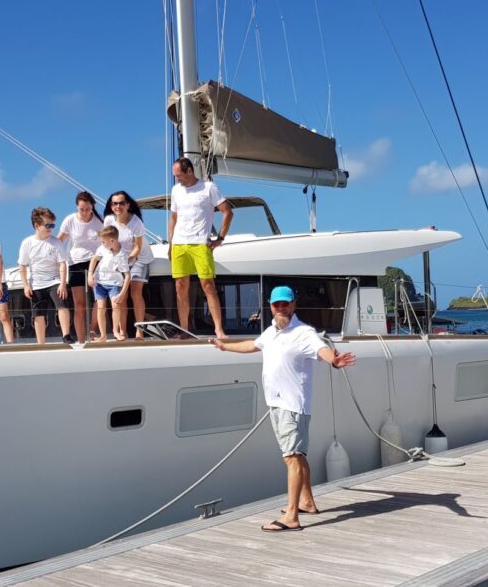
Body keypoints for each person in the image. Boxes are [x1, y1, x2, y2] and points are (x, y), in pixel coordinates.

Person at [212, 285, 355, 532]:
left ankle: (291, 516)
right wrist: (225, 346)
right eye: (277, 304)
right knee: (296, 455)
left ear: (294, 305)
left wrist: (334, 360)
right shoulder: (271, 332)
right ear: (270, 306)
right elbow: (252, 345)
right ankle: (307, 502)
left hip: (292, 405)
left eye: (286, 304)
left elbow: (322, 350)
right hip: (276, 403)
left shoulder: (303, 332)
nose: (281, 308)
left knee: (292, 457)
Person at [168, 157, 232, 339]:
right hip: (179, 243)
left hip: (200, 243)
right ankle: (184, 329)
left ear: (189, 171)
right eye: (175, 176)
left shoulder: (208, 188)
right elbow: (173, 217)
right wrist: (170, 242)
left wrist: (220, 238)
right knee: (180, 287)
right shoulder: (176, 190)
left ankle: (218, 329)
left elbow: (227, 211)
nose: (177, 179)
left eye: (179, 175)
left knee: (208, 286)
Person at [102, 190, 154, 339]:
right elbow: (106, 242)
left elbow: (137, 247)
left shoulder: (136, 222)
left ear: (128, 205)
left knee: (135, 293)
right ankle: (122, 331)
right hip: (120, 260)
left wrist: (127, 261)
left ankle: (140, 330)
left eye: (121, 203)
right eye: (115, 203)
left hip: (139, 258)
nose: (118, 206)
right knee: (121, 296)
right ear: (111, 207)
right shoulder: (109, 221)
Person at [18, 207, 73, 344]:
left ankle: (66, 336)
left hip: (54, 281)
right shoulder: (27, 243)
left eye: (52, 225)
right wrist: (25, 286)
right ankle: (40, 343)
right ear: (37, 226)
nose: (51, 228)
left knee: (62, 305)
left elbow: (62, 264)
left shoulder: (56, 242)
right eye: (48, 225)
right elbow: (22, 266)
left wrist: (62, 284)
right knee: (38, 313)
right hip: (36, 283)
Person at [58, 191, 103, 342]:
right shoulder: (70, 220)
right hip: (75, 262)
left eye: (87, 209)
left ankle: (93, 329)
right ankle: (81, 339)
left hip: (96, 262)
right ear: (77, 207)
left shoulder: (99, 221)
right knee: (80, 304)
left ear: (92, 207)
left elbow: (107, 240)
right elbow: (59, 241)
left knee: (100, 299)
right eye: (81, 209)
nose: (84, 212)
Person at [87, 226, 132, 342]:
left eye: (103, 241)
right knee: (101, 308)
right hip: (99, 282)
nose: (102, 243)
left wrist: (122, 293)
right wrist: (90, 275)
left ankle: (115, 331)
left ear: (112, 240)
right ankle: (103, 336)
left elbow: (127, 276)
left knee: (116, 306)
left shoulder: (122, 255)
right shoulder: (103, 248)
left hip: (114, 283)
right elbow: (94, 259)